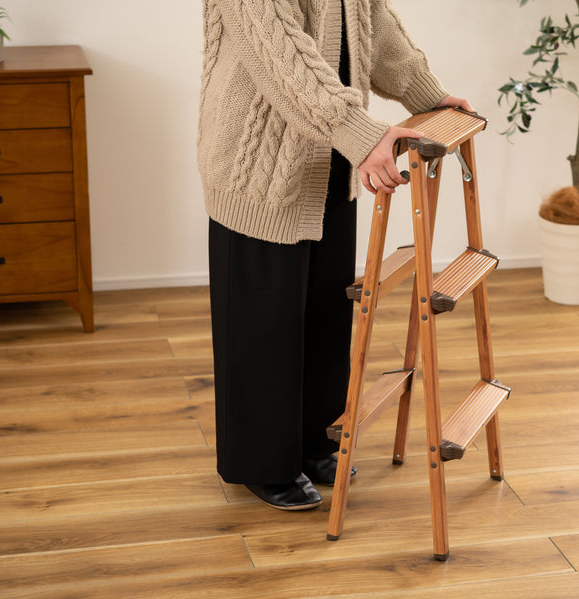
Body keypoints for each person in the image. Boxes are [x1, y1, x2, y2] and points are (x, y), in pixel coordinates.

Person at [197, 0, 473, 510]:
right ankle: (263, 462)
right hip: (259, 165)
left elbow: (375, 25)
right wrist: (364, 137)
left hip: (331, 158)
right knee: (266, 319)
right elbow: (281, 59)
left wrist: (427, 95)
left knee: (325, 310)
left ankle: (314, 442)